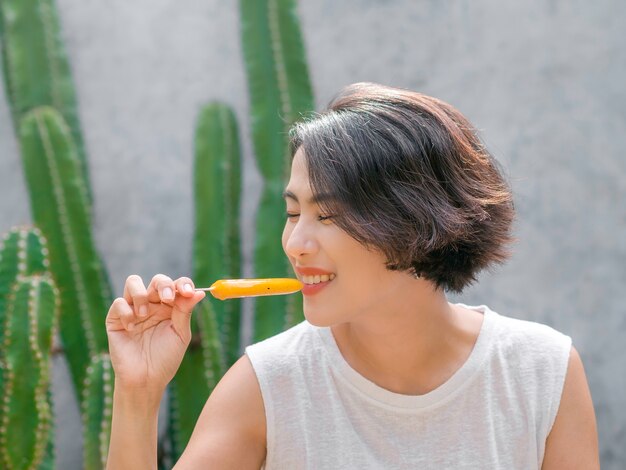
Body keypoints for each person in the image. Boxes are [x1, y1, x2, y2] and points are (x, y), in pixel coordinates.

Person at [105, 83, 599, 469]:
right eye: (293, 213)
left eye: (330, 216)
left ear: (415, 219)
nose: (295, 244)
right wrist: (138, 394)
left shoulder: (543, 372)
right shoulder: (268, 384)